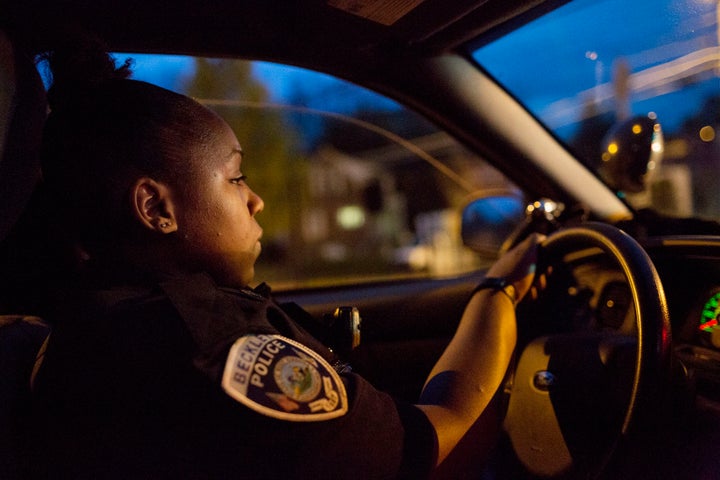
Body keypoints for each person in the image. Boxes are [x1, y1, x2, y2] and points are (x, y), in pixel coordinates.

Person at [26, 37, 543, 479]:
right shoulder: (216, 349)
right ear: (156, 207)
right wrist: (497, 294)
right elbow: (437, 448)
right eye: (235, 178)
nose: (256, 200)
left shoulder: (98, 323)